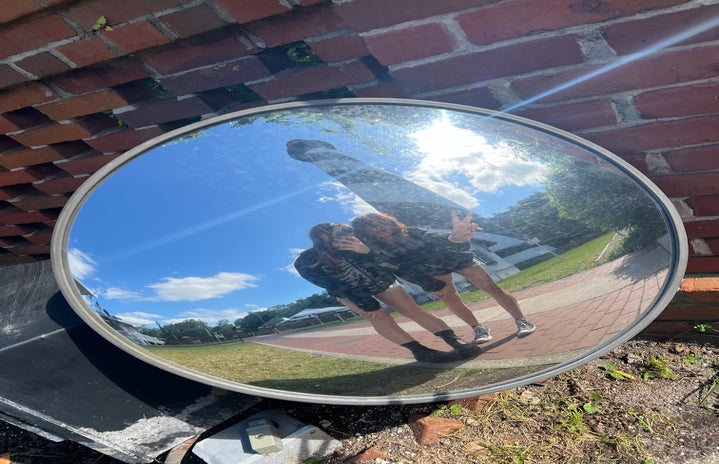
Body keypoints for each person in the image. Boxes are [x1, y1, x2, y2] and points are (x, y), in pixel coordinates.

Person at [293, 223, 481, 363]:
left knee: (413, 310)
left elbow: (393, 262)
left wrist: (365, 250)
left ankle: (454, 340)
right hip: (348, 291)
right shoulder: (308, 259)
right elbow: (328, 283)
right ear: (319, 238)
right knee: (377, 316)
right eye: (331, 233)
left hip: (382, 281)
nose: (338, 236)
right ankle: (421, 351)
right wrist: (359, 301)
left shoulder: (361, 241)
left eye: (340, 231)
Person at [351, 212, 536, 343]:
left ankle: (521, 320)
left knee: (490, 287)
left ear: (388, 221)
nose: (378, 229)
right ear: (365, 234)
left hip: (456, 259)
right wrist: (431, 285)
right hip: (433, 270)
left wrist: (455, 237)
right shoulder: (377, 251)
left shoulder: (412, 231)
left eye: (379, 223)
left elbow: (437, 237)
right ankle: (478, 328)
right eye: (370, 228)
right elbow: (401, 270)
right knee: (449, 297)